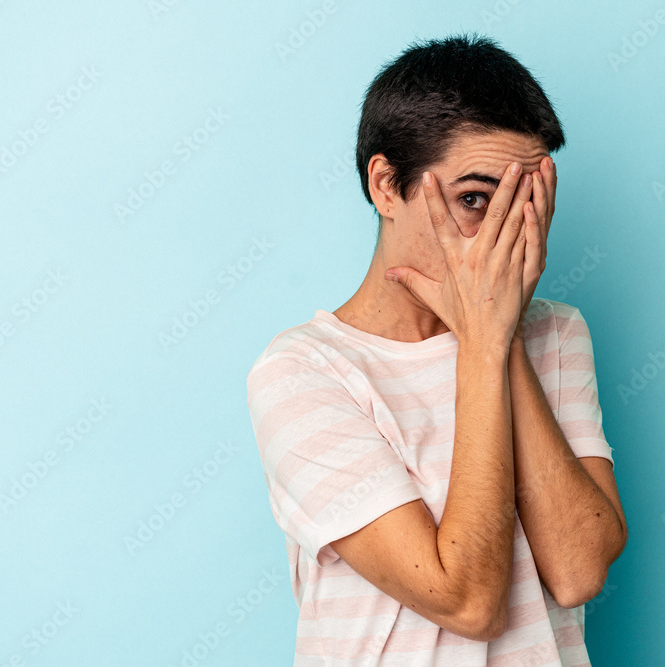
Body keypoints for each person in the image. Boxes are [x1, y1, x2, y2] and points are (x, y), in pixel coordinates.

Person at [246, 33, 627, 666]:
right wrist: (482, 340)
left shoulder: (556, 334)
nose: (505, 235)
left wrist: (498, 335)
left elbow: (578, 571)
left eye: (527, 203)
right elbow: (467, 602)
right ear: (386, 185)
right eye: (475, 199)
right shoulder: (302, 373)